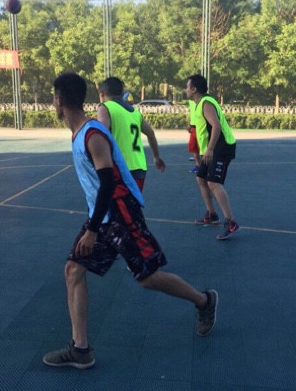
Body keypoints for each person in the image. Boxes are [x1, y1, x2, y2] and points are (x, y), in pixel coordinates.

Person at [42, 72, 218, 370]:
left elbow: (109, 183)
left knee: (147, 278)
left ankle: (204, 301)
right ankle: (80, 349)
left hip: (120, 213)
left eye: (53, 97)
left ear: (58, 99)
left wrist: (92, 230)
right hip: (103, 214)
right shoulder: (82, 132)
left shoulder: (92, 134)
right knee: (73, 270)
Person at [185, 74, 239, 240]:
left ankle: (231, 222)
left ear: (194, 89)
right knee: (201, 179)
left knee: (213, 183)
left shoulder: (206, 103)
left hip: (222, 147)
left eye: (187, 87)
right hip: (213, 148)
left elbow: (216, 126)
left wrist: (209, 149)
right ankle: (212, 214)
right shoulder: (199, 103)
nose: (185, 90)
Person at [97, 76, 165, 191]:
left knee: (115, 202)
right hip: (139, 167)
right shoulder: (134, 113)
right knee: (133, 202)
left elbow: (101, 137)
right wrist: (156, 157)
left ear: (102, 94)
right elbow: (151, 133)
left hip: (120, 168)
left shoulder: (105, 108)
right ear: (122, 93)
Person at [187, 99, 201, 173]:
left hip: (201, 126)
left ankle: (206, 166)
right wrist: (190, 124)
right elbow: (193, 113)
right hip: (194, 127)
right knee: (193, 147)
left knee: (203, 148)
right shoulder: (191, 100)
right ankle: (198, 165)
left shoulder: (202, 99)